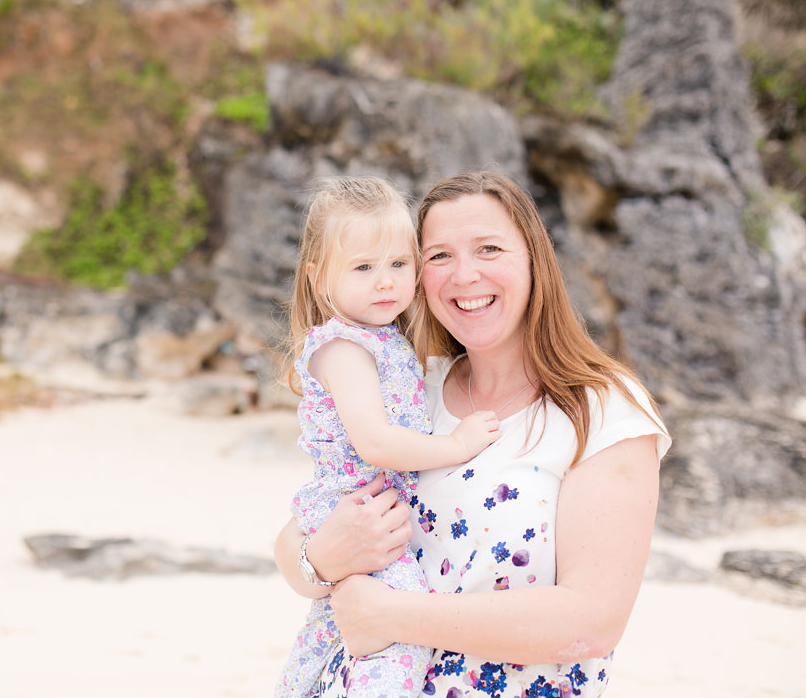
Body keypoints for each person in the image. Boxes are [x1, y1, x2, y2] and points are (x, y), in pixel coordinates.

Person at [274, 171, 671, 698]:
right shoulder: (414, 391)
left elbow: (591, 622)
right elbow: (293, 547)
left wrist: (398, 616)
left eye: (489, 249)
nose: (465, 275)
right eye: (438, 256)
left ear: (534, 259)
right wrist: (325, 557)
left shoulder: (602, 411)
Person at [276, 177, 502, 698]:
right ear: (318, 277)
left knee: (338, 635)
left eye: (399, 265)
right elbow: (375, 443)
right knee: (396, 640)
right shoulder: (343, 348)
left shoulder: (387, 341)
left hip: (377, 508)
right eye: (363, 267)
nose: (385, 283)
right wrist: (458, 445)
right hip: (359, 506)